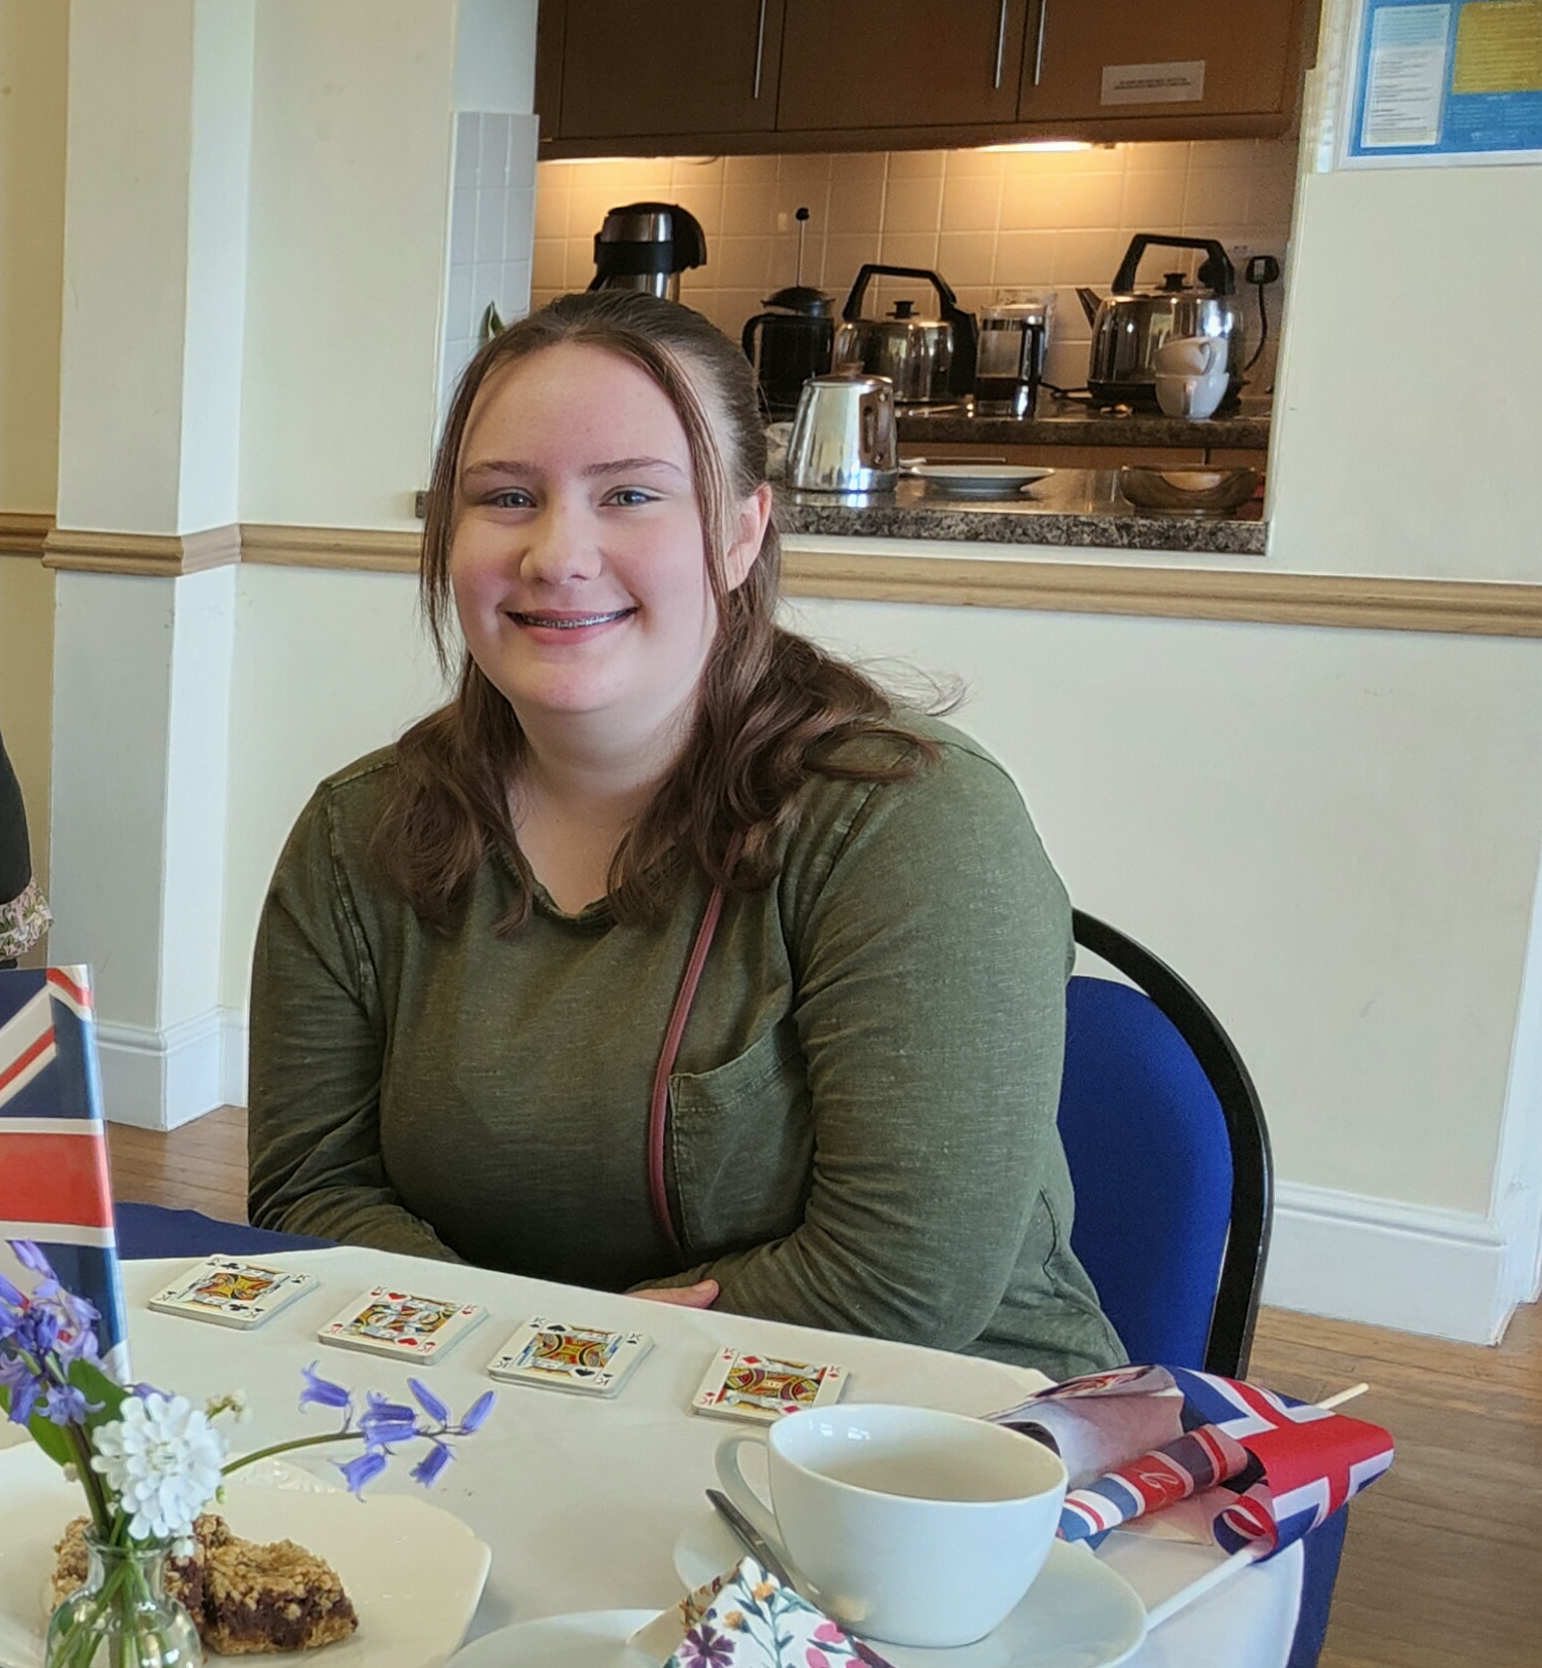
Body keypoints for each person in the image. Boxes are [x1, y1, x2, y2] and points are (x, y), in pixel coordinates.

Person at [244, 292, 1124, 1378]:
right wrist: (525, 1366)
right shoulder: (355, 832)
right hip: (476, 1409)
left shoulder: (911, 821)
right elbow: (308, 1195)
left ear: (741, 529)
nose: (558, 554)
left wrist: (546, 1354)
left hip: (919, 1441)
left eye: (629, 494)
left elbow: (899, 1282)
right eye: (507, 497)